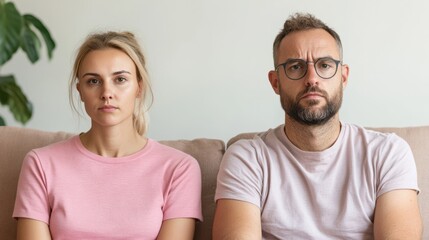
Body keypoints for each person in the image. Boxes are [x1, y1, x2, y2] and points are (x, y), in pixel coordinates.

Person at [213, 13, 422, 239]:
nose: (312, 78)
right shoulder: (247, 158)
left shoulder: (387, 153)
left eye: (324, 65)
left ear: (343, 77)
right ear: (275, 82)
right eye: (295, 67)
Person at [13, 31, 202, 240]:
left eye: (120, 79)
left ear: (139, 87)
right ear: (80, 91)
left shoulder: (179, 168)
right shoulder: (41, 164)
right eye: (93, 81)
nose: (106, 93)